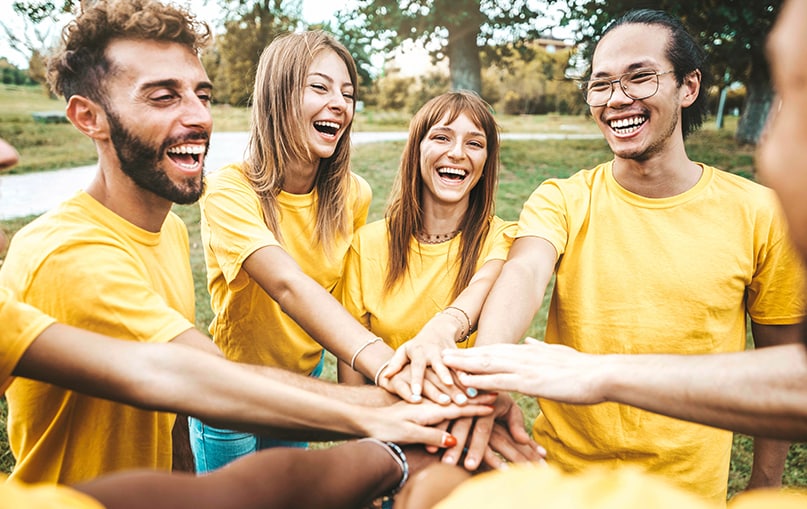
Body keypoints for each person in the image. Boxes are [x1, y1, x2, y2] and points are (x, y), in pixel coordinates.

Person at [0, 0, 489, 486]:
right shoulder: (66, 255)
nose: (198, 117)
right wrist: (384, 399)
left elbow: (170, 403)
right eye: (163, 96)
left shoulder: (166, 230)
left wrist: (187, 477)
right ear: (89, 118)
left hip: (217, 441)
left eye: (202, 95)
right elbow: (193, 372)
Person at [440, 8, 806, 505]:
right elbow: (524, 272)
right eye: (601, 84)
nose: (616, 100)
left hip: (688, 492)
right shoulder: (562, 198)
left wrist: (766, 483)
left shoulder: (760, 213)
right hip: (559, 481)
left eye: (640, 78)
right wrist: (487, 375)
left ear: (689, 87)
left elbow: (781, 358)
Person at [191, 31, 485, 472]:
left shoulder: (352, 195)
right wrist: (386, 366)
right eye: (320, 87)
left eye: (347, 93)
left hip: (303, 386)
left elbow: (345, 295)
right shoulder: (229, 190)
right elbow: (288, 285)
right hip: (233, 383)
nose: (339, 104)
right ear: (280, 94)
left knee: (284, 496)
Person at [338, 91, 540, 471]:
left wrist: (443, 327)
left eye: (474, 143)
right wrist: (364, 449)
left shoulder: (505, 238)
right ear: (417, 149)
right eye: (442, 137)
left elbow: (485, 285)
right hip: (388, 437)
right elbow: (352, 371)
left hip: (461, 442)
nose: (458, 153)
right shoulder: (367, 244)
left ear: (485, 162)